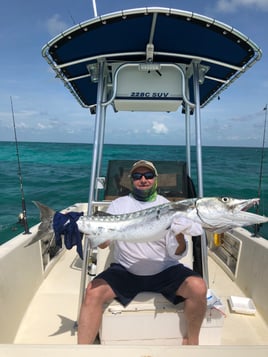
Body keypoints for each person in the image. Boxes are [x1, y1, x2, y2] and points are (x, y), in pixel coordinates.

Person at [77, 160, 207, 345]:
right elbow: (105, 244)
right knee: (92, 292)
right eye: (138, 176)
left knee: (199, 287)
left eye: (148, 176)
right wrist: (89, 231)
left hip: (164, 270)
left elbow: (177, 252)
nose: (143, 180)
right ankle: (82, 350)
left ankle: (192, 342)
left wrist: (179, 235)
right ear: (131, 180)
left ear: (155, 180)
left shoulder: (169, 207)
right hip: (126, 270)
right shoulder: (118, 205)